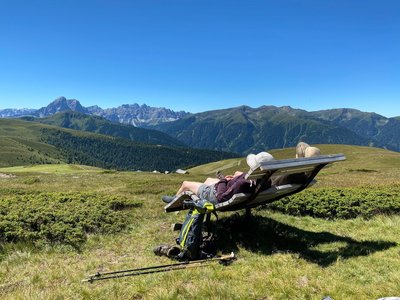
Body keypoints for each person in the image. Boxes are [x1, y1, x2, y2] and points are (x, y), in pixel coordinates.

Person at [162, 152, 275, 204]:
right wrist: (235, 178)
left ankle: (174, 202)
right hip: (236, 193)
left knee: (186, 183)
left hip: (216, 195)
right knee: (208, 180)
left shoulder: (242, 183)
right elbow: (244, 179)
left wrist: (223, 180)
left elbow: (220, 197)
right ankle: (194, 197)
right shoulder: (265, 180)